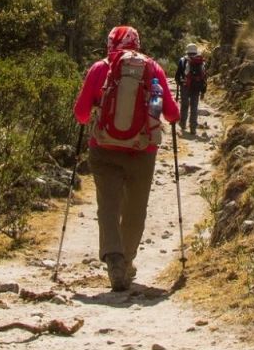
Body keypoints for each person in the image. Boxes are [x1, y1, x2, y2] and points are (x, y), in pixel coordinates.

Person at [72, 25, 178, 291]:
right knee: (135, 208)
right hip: (142, 151)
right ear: (137, 43)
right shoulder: (153, 68)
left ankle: (114, 258)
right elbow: (173, 114)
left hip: (104, 148)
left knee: (108, 205)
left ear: (110, 43)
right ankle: (127, 261)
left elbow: (81, 115)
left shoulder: (99, 69)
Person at [174, 42, 208, 137]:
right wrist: (203, 90)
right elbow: (204, 77)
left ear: (187, 51)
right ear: (195, 51)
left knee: (184, 105)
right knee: (194, 107)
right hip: (196, 87)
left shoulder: (182, 60)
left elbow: (177, 75)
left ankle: (183, 124)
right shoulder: (201, 61)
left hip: (185, 86)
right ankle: (193, 128)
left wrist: (180, 83)